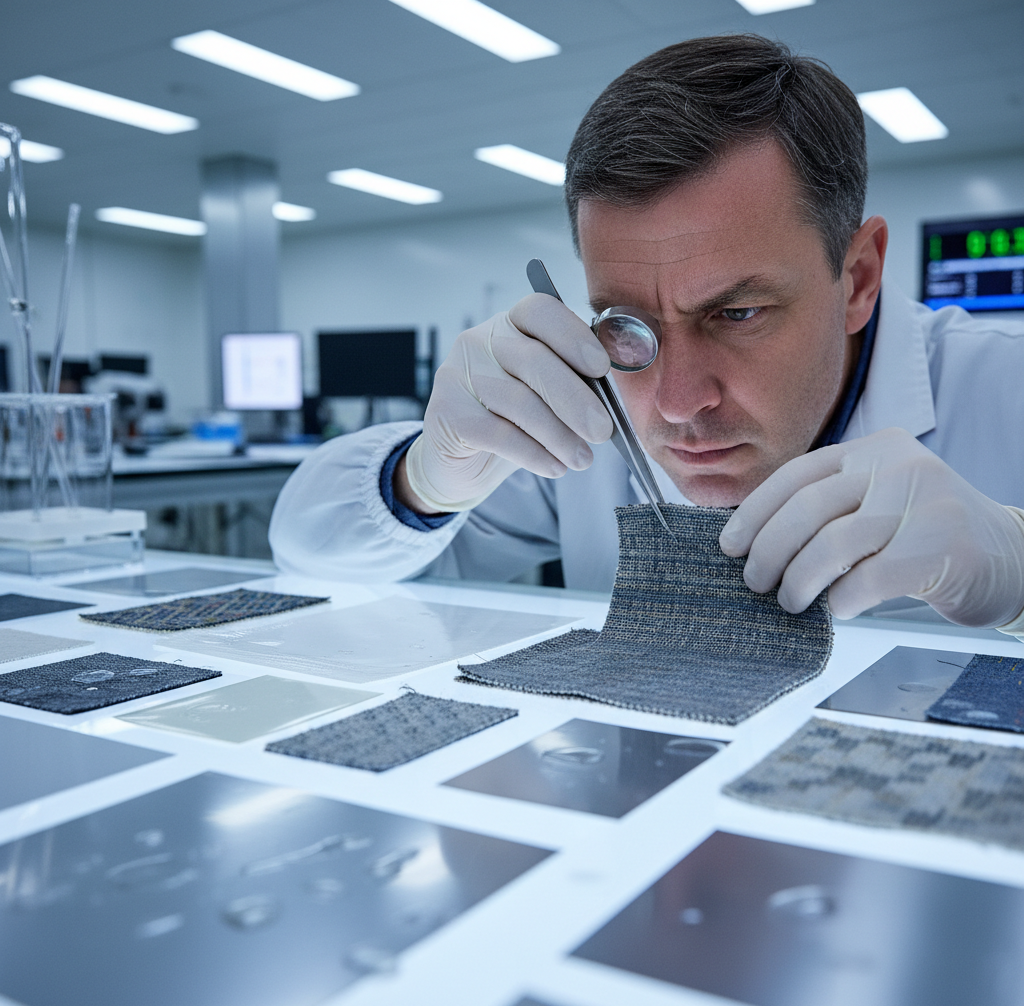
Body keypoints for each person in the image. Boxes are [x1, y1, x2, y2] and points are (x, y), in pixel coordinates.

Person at [270, 34, 1024, 635]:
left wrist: (1018, 575)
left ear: (857, 278)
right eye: (626, 324)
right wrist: (423, 480)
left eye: (737, 313)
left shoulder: (1001, 390)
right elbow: (312, 562)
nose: (674, 402)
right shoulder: (584, 420)